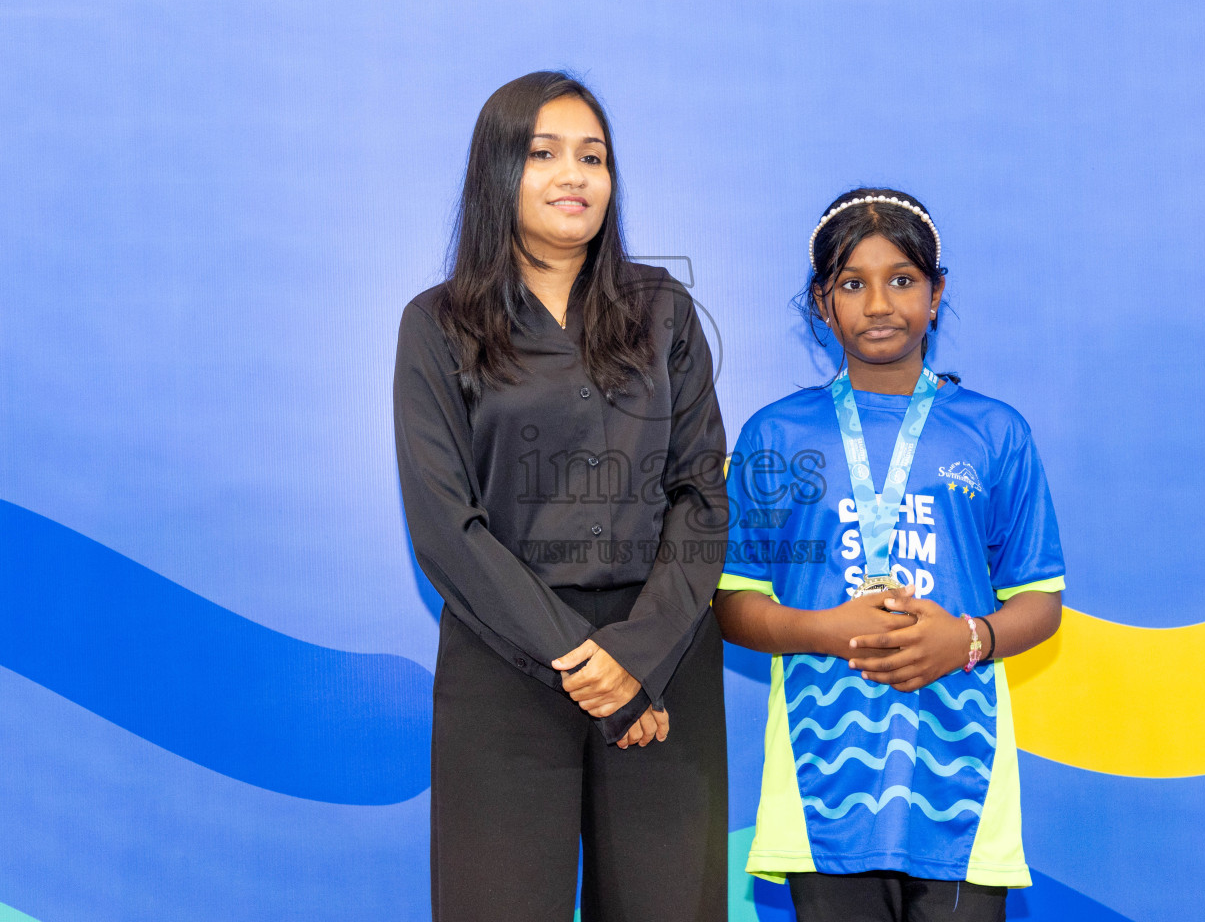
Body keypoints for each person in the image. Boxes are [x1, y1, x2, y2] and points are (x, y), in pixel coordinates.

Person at [393, 71, 728, 921]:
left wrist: (636, 658)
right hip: (504, 666)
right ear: (497, 173)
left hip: (661, 667)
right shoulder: (437, 325)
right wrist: (585, 663)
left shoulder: (664, 312)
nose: (574, 176)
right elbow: (445, 526)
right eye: (544, 154)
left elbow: (700, 496)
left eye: (593, 156)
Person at [714, 188, 1065, 922]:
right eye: (853, 283)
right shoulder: (775, 436)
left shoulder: (996, 433)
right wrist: (831, 630)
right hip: (824, 788)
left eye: (902, 279)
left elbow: (1040, 601)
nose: (879, 303)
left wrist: (967, 638)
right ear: (822, 303)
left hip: (959, 780)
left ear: (937, 295)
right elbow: (732, 603)